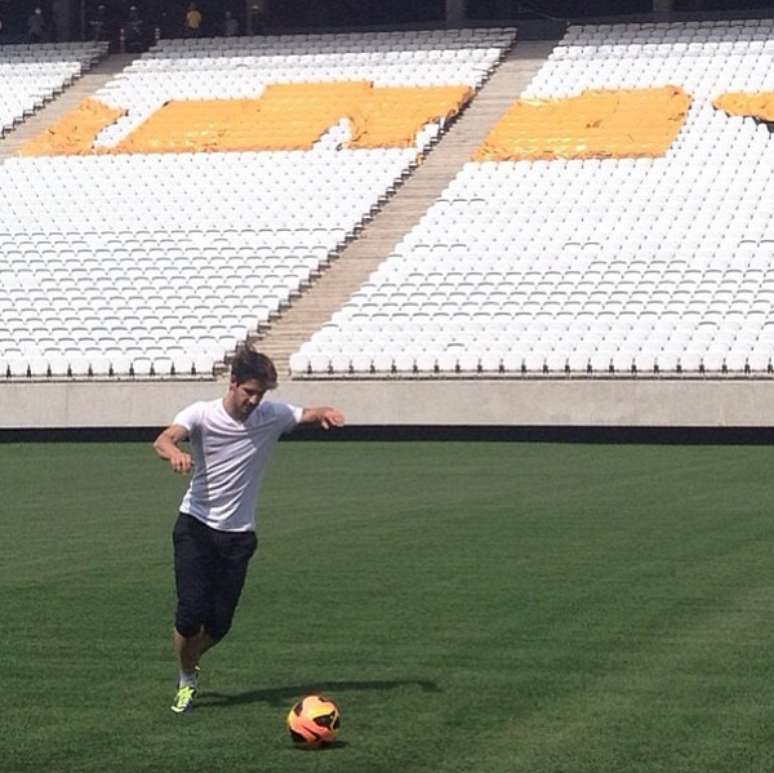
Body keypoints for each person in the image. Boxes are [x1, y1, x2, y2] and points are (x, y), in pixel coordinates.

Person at [153, 348, 345, 714]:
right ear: (234, 382)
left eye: (261, 395)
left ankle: (188, 658)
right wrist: (173, 453)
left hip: (239, 536)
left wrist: (324, 413)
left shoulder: (270, 415)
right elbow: (164, 438)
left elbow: (304, 413)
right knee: (190, 615)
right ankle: (186, 677)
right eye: (249, 392)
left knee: (220, 625)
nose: (254, 401)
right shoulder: (201, 414)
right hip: (195, 526)